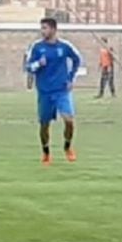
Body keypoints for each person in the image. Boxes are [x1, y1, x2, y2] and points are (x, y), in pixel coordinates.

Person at [25, 18, 81, 164]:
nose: (42, 31)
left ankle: (67, 147)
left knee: (69, 120)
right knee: (44, 124)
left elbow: (77, 60)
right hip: (45, 91)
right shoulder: (37, 47)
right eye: (41, 28)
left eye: (45, 28)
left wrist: (70, 78)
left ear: (53, 29)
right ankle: (46, 152)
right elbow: (28, 67)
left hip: (62, 90)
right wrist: (38, 64)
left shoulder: (64, 47)